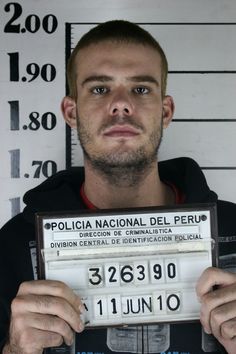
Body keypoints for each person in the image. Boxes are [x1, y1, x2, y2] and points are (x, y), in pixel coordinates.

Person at [0, 20, 236, 354]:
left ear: (165, 111)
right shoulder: (9, 248)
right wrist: (14, 350)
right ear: (71, 112)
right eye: (99, 89)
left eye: (141, 89)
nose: (121, 105)